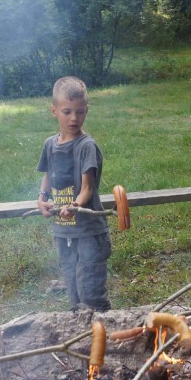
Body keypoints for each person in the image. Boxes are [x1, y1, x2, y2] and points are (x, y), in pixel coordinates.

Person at [36, 77, 112, 312]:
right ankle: (80, 334)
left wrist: (75, 205)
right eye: (67, 111)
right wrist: (42, 198)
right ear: (54, 111)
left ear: (86, 111)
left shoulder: (86, 146)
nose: (73, 118)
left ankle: (103, 330)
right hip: (63, 230)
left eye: (80, 112)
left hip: (89, 231)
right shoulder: (50, 144)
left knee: (91, 290)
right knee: (73, 288)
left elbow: (87, 187)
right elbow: (48, 176)